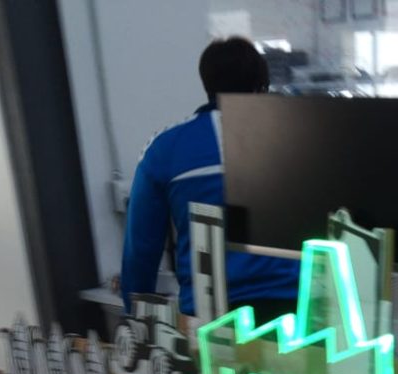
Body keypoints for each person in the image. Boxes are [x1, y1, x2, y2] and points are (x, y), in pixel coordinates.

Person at [121, 37, 299, 320]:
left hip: (209, 315)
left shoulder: (166, 148)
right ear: (261, 85)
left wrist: (135, 317)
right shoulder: (295, 138)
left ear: (207, 84)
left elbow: (141, 250)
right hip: (295, 306)